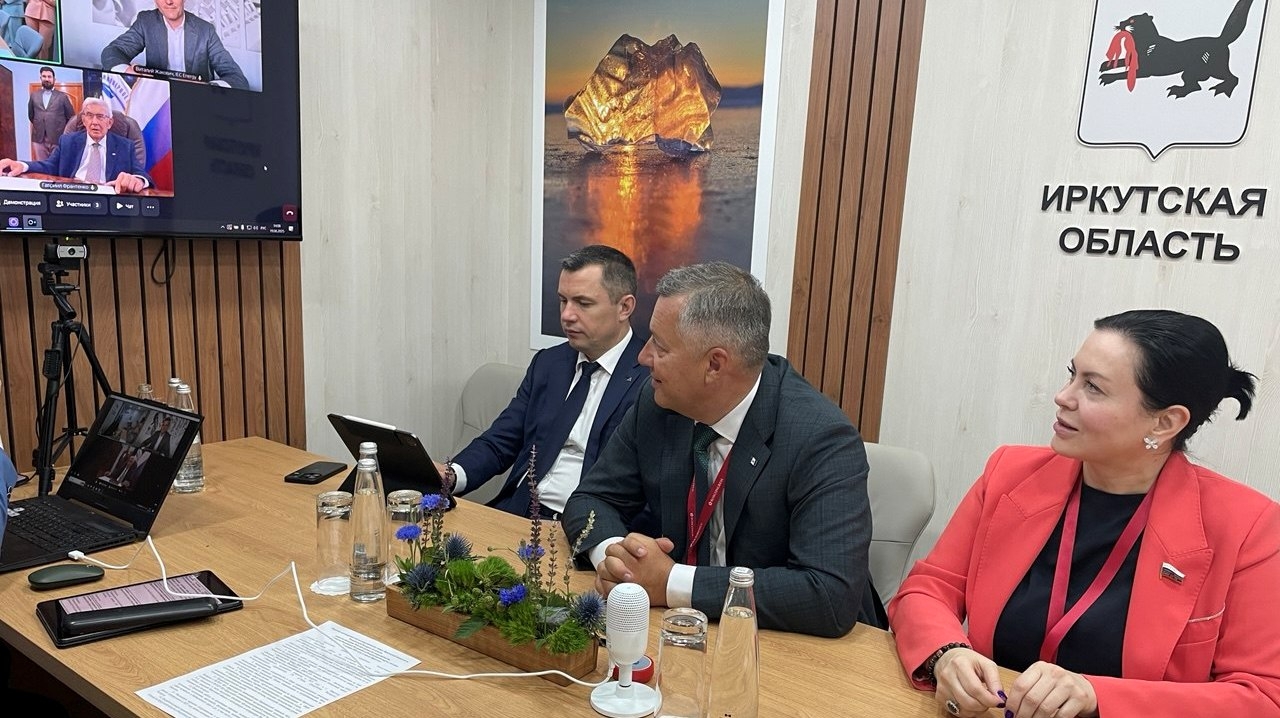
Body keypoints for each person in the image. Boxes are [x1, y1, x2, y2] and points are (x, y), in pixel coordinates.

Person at [889, 309, 1280, 718]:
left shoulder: (1246, 526)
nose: (1063, 396)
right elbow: (929, 589)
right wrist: (947, 653)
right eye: (1072, 375)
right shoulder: (1009, 473)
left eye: (1093, 387)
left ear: (1165, 422)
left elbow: (1262, 696)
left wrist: (1097, 697)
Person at [562, 262, 882, 638]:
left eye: (660, 346)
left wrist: (671, 582)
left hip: (790, 645)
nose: (643, 357)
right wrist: (619, 563)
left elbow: (828, 595)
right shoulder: (659, 402)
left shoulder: (821, 438)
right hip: (684, 630)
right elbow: (591, 499)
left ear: (715, 364)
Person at [437, 245, 649, 520]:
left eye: (583, 303)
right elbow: (501, 441)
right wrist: (450, 475)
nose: (567, 315)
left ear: (624, 307)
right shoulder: (549, 363)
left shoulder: (651, 379)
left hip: (585, 527)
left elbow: (650, 492)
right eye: (563, 300)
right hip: (517, 512)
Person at [0, 96, 151, 193]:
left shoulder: (125, 146)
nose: (94, 122)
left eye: (100, 117)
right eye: (89, 116)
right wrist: (22, 165)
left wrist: (137, 180)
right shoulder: (68, 141)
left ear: (110, 123)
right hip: (73, 195)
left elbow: (142, 175)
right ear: (83, 120)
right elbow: (49, 165)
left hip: (108, 198)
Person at [100, 0, 249, 89]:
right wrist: (126, 71)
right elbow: (113, 51)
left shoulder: (205, 30)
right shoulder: (146, 21)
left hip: (196, 101)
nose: (169, 1)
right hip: (159, 99)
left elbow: (237, 79)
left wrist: (208, 88)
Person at [27, 67, 74, 161]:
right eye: (44, 76)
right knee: (42, 166)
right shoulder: (34, 95)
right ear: (40, 78)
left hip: (58, 138)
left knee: (57, 165)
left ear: (54, 79)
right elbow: (31, 115)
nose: (47, 79)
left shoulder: (62, 96)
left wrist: (64, 133)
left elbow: (71, 117)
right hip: (38, 138)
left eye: (49, 77)